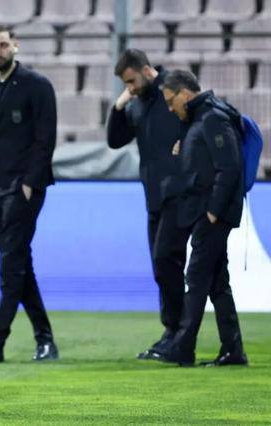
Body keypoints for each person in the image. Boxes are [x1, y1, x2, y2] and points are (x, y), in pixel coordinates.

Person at [0, 25, 58, 364]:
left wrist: (29, 183)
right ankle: (45, 339)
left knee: (11, 265)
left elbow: (45, 139)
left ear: (15, 46)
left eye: (3, 44)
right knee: (18, 263)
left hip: (23, 189)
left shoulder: (37, 85)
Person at [159, 69, 248, 367]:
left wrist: (214, 210)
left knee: (196, 277)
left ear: (184, 93)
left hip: (212, 213)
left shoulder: (212, 118)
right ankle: (233, 350)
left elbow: (229, 166)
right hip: (206, 210)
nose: (170, 108)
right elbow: (206, 163)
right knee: (217, 282)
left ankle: (183, 347)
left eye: (171, 101)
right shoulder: (199, 119)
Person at [107, 49, 188, 360]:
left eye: (131, 81)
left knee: (167, 261)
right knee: (162, 266)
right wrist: (119, 105)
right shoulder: (137, 103)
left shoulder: (174, 88)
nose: (129, 87)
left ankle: (179, 333)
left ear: (145, 70)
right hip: (154, 196)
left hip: (180, 193)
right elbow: (115, 140)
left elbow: (197, 118)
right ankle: (174, 332)